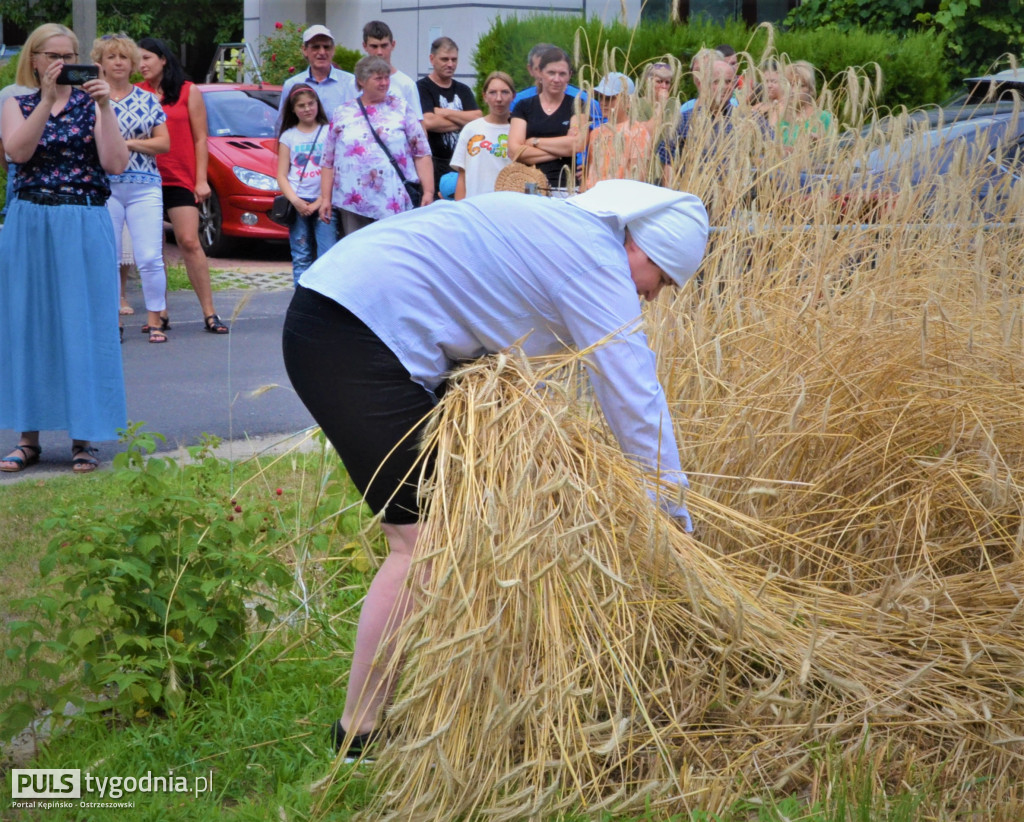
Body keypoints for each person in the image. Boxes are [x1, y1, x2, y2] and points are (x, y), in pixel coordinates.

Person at [281, 179, 709, 757]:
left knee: (467, 522)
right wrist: (673, 514)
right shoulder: (595, 259)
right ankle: (358, 732)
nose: (656, 298)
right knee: (424, 543)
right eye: (665, 282)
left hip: (345, 315)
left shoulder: (566, 228)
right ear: (646, 251)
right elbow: (635, 398)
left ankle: (462, 696)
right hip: (351, 335)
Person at [0, 23, 129, 474]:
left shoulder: (96, 106)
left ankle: (83, 438)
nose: (61, 63)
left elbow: (115, 163)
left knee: (84, 324)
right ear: (34, 60)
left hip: (84, 217)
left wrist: (104, 106)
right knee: (28, 325)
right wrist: (48, 99)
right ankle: (27, 438)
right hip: (30, 221)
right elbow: (17, 152)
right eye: (52, 55)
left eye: (69, 55)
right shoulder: (15, 103)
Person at [137, 37, 228, 334]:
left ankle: (210, 313)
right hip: (147, 178)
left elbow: (201, 138)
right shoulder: (138, 92)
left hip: (180, 177)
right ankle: (159, 312)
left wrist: (201, 180)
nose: (142, 65)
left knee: (189, 241)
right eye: (138, 60)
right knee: (154, 249)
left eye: (147, 58)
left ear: (163, 59)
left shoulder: (189, 91)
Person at [94, 32, 171, 344]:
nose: (117, 62)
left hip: (144, 185)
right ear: (100, 62)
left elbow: (163, 143)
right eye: (111, 57)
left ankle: (156, 320)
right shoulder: (92, 99)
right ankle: (113, 322)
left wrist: (124, 143)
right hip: (106, 187)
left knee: (150, 256)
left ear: (133, 63)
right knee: (108, 256)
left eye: (123, 57)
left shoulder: (148, 98)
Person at [319, 55, 433, 236]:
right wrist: (325, 198)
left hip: (392, 199)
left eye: (387, 77)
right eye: (378, 78)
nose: (384, 83)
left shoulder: (401, 107)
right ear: (361, 81)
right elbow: (328, 160)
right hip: (353, 201)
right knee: (357, 252)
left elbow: (421, 152)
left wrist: (428, 191)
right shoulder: (343, 112)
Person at [508, 46, 589, 193]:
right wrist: (563, 150)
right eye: (551, 73)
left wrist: (534, 142)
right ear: (539, 73)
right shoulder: (524, 106)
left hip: (565, 188)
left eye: (562, 74)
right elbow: (514, 152)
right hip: (529, 187)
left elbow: (578, 144)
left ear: (569, 75)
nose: (556, 79)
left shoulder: (577, 105)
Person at [276, 84, 336, 283]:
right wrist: (296, 201)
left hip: (325, 202)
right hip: (298, 201)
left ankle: (325, 301)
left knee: (327, 254)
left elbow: (336, 170)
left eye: (311, 103)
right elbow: (282, 175)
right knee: (301, 255)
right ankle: (300, 300)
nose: (307, 109)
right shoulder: (288, 136)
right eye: (301, 105)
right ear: (293, 109)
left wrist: (321, 200)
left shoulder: (329, 132)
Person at [659, 49, 738, 183]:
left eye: (728, 81)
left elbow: (771, 152)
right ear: (704, 84)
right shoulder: (684, 120)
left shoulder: (745, 120)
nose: (723, 87)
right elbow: (668, 161)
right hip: (695, 196)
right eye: (716, 82)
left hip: (733, 199)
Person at [416, 36, 481, 198]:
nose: (450, 64)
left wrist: (444, 112)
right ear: (432, 59)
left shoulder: (464, 90)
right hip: (433, 164)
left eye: (454, 59)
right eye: (445, 59)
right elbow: (429, 122)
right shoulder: (421, 88)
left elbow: (478, 118)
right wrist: (463, 121)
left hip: (461, 164)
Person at [450, 71, 514, 200]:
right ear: (484, 96)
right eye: (493, 92)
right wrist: (460, 208)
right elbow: (462, 175)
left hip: (508, 206)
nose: (499, 98)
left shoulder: (519, 129)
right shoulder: (471, 129)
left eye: (505, 92)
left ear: (513, 96)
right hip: (475, 206)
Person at [276, 25, 356, 128]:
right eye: (316, 47)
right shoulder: (292, 85)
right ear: (305, 50)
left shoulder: (350, 82)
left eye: (326, 47)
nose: (322, 52)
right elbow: (283, 124)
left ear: (333, 50)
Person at [583, 72, 652, 190]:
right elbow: (590, 171)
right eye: (600, 97)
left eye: (610, 98)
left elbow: (638, 177)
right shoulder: (596, 133)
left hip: (619, 198)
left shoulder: (638, 132)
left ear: (628, 102)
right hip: (592, 198)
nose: (603, 102)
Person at [361, 21, 423, 121]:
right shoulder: (354, 84)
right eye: (374, 46)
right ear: (365, 46)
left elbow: (419, 126)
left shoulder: (406, 84)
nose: (379, 52)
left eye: (384, 46)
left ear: (393, 45)